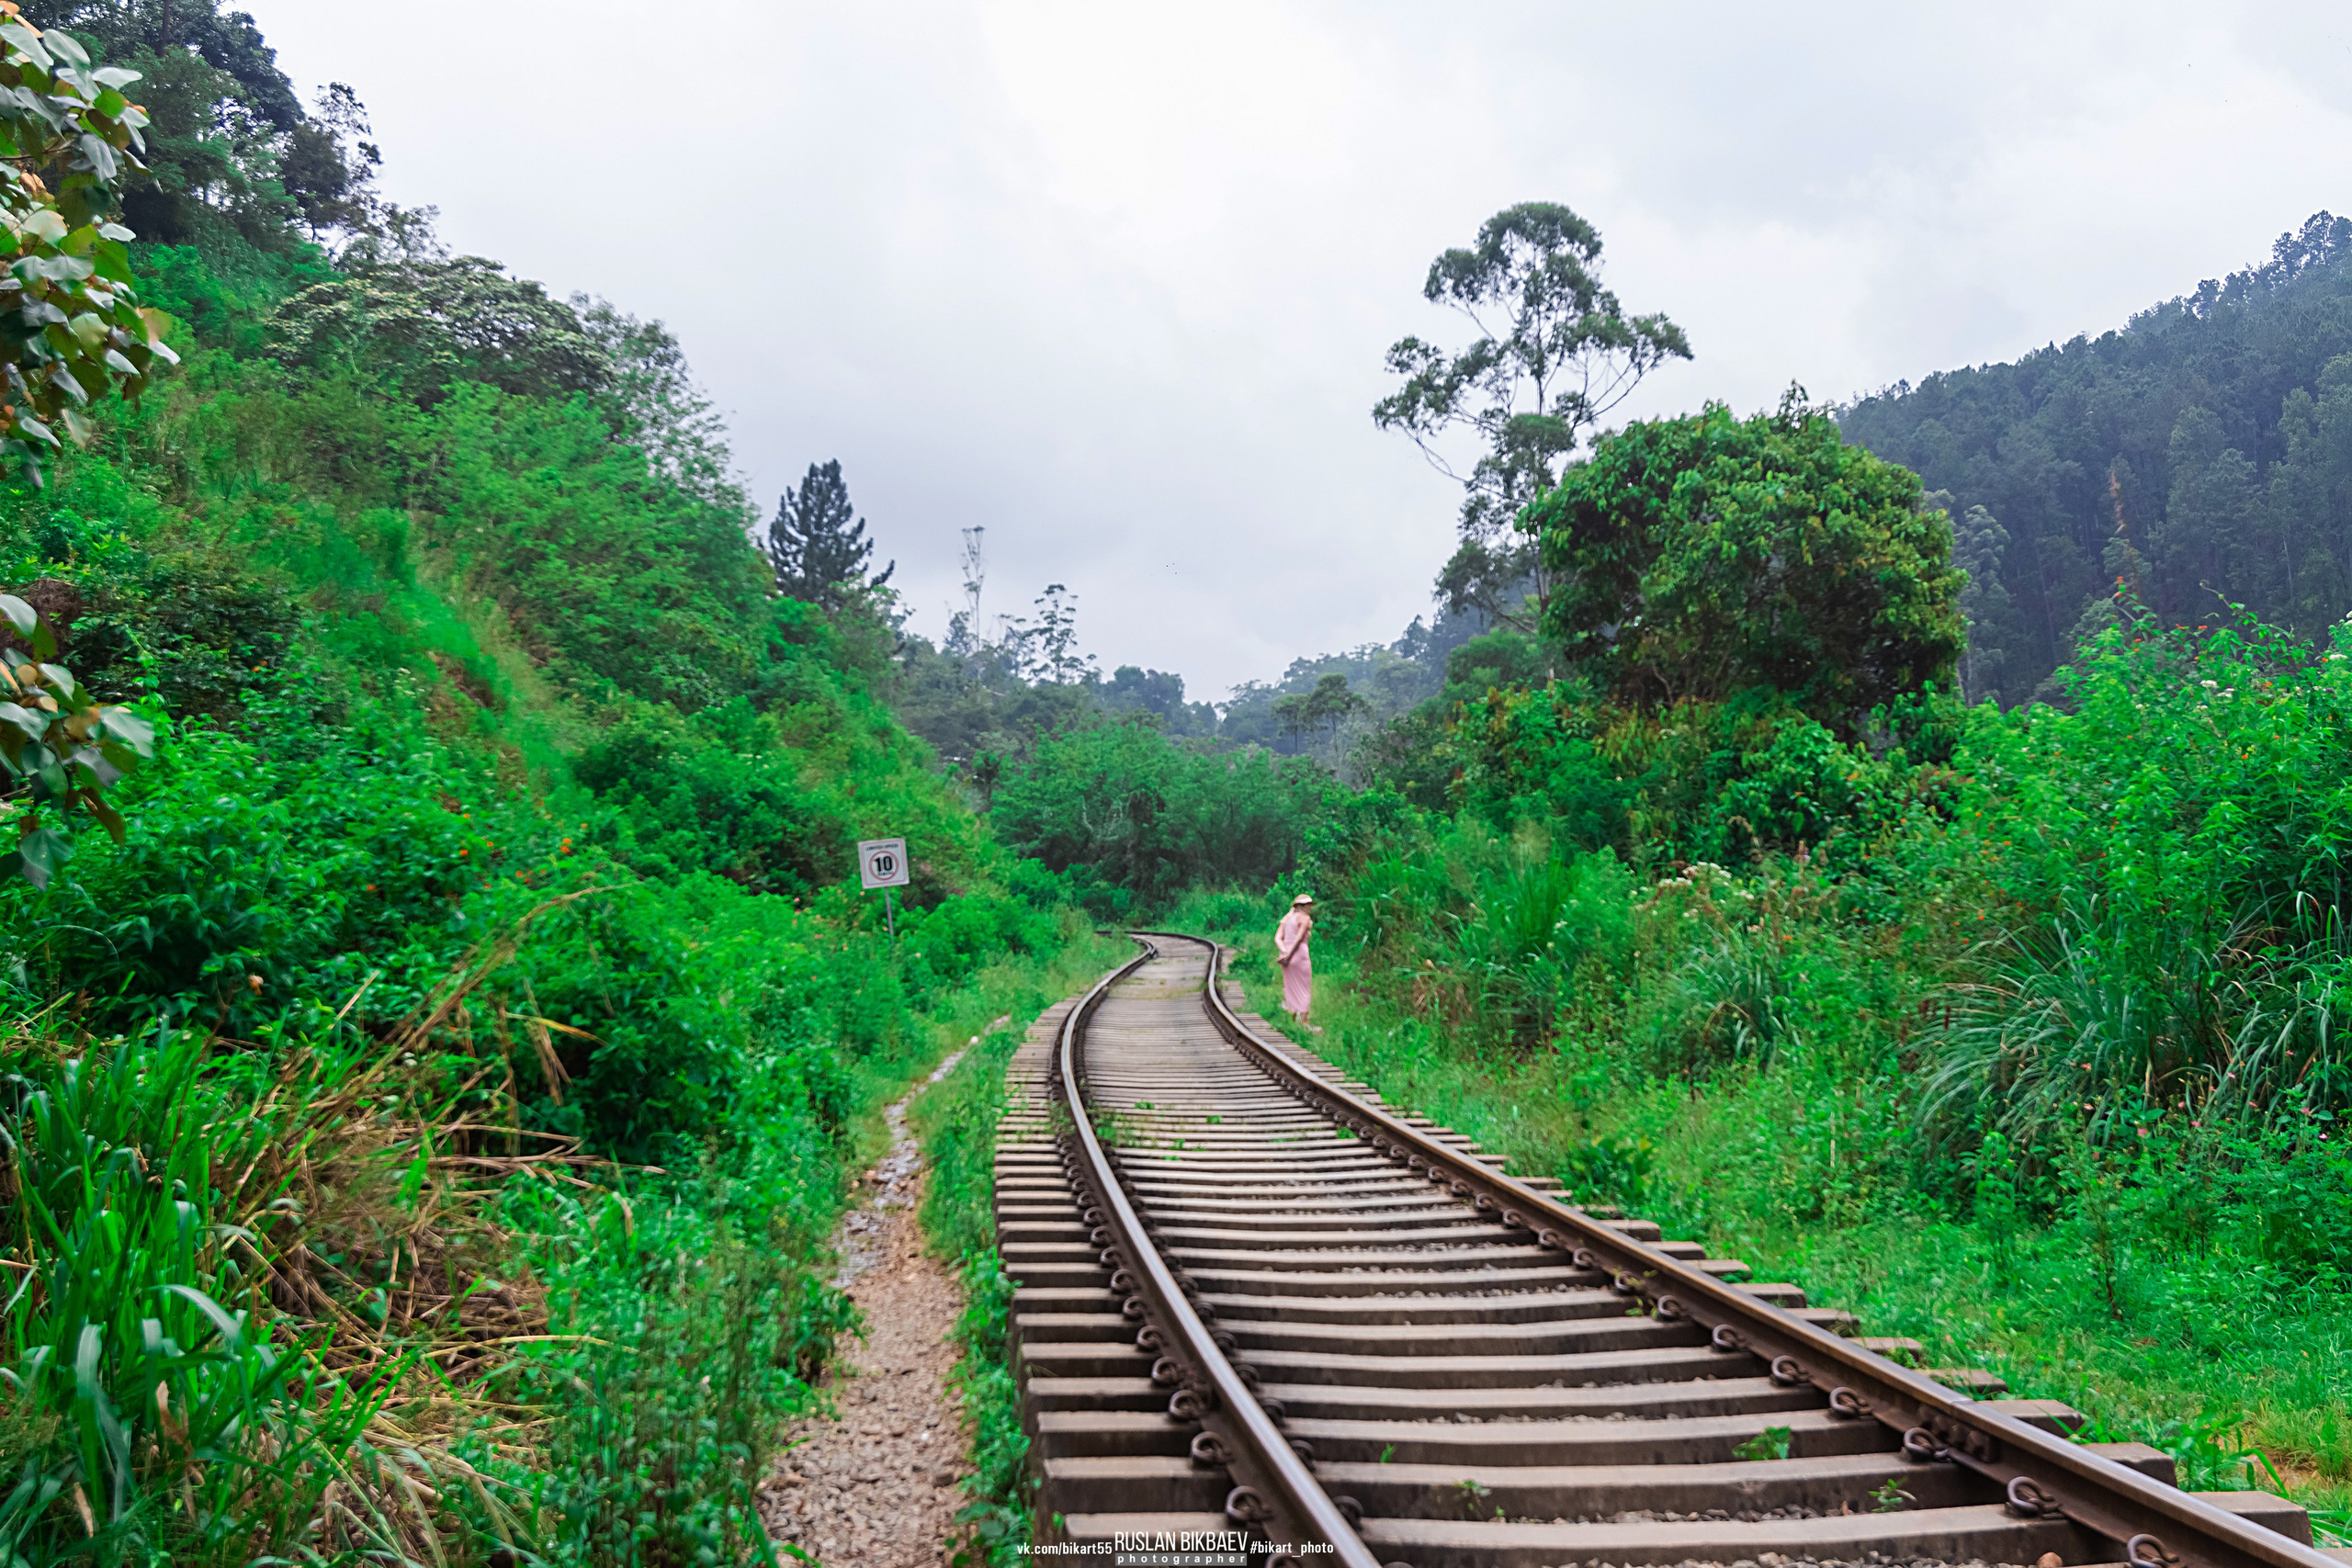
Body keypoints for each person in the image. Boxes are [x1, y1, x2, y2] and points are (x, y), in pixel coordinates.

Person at [1273, 893, 1316, 1029]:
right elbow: (1299, 938)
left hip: (1286, 955)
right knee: (1303, 988)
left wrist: (1284, 952)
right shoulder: (1304, 918)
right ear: (1301, 906)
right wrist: (1290, 955)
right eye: (1308, 904)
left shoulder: (1287, 919)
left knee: (1290, 987)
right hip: (1299, 956)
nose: (1310, 907)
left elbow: (1278, 938)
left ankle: (1293, 1020)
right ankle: (1305, 1023)